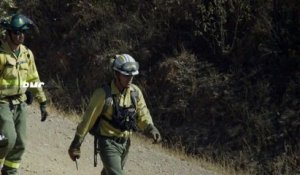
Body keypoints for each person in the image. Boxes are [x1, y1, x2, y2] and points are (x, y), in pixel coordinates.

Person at [68, 54, 162, 175]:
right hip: (108, 143)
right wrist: (76, 144)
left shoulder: (135, 93)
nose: (130, 79)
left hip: (125, 144)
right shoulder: (102, 94)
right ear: (117, 74)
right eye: (126, 75)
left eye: (132, 75)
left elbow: (142, 112)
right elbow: (88, 120)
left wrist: (150, 127)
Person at [0, 14, 49, 175]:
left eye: (23, 32)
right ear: (8, 34)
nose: (20, 35)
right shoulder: (1, 55)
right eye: (16, 32)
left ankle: (10, 172)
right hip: (2, 103)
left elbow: (33, 78)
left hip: (20, 103)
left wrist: (42, 102)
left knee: (20, 142)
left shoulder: (27, 54)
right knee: (8, 139)